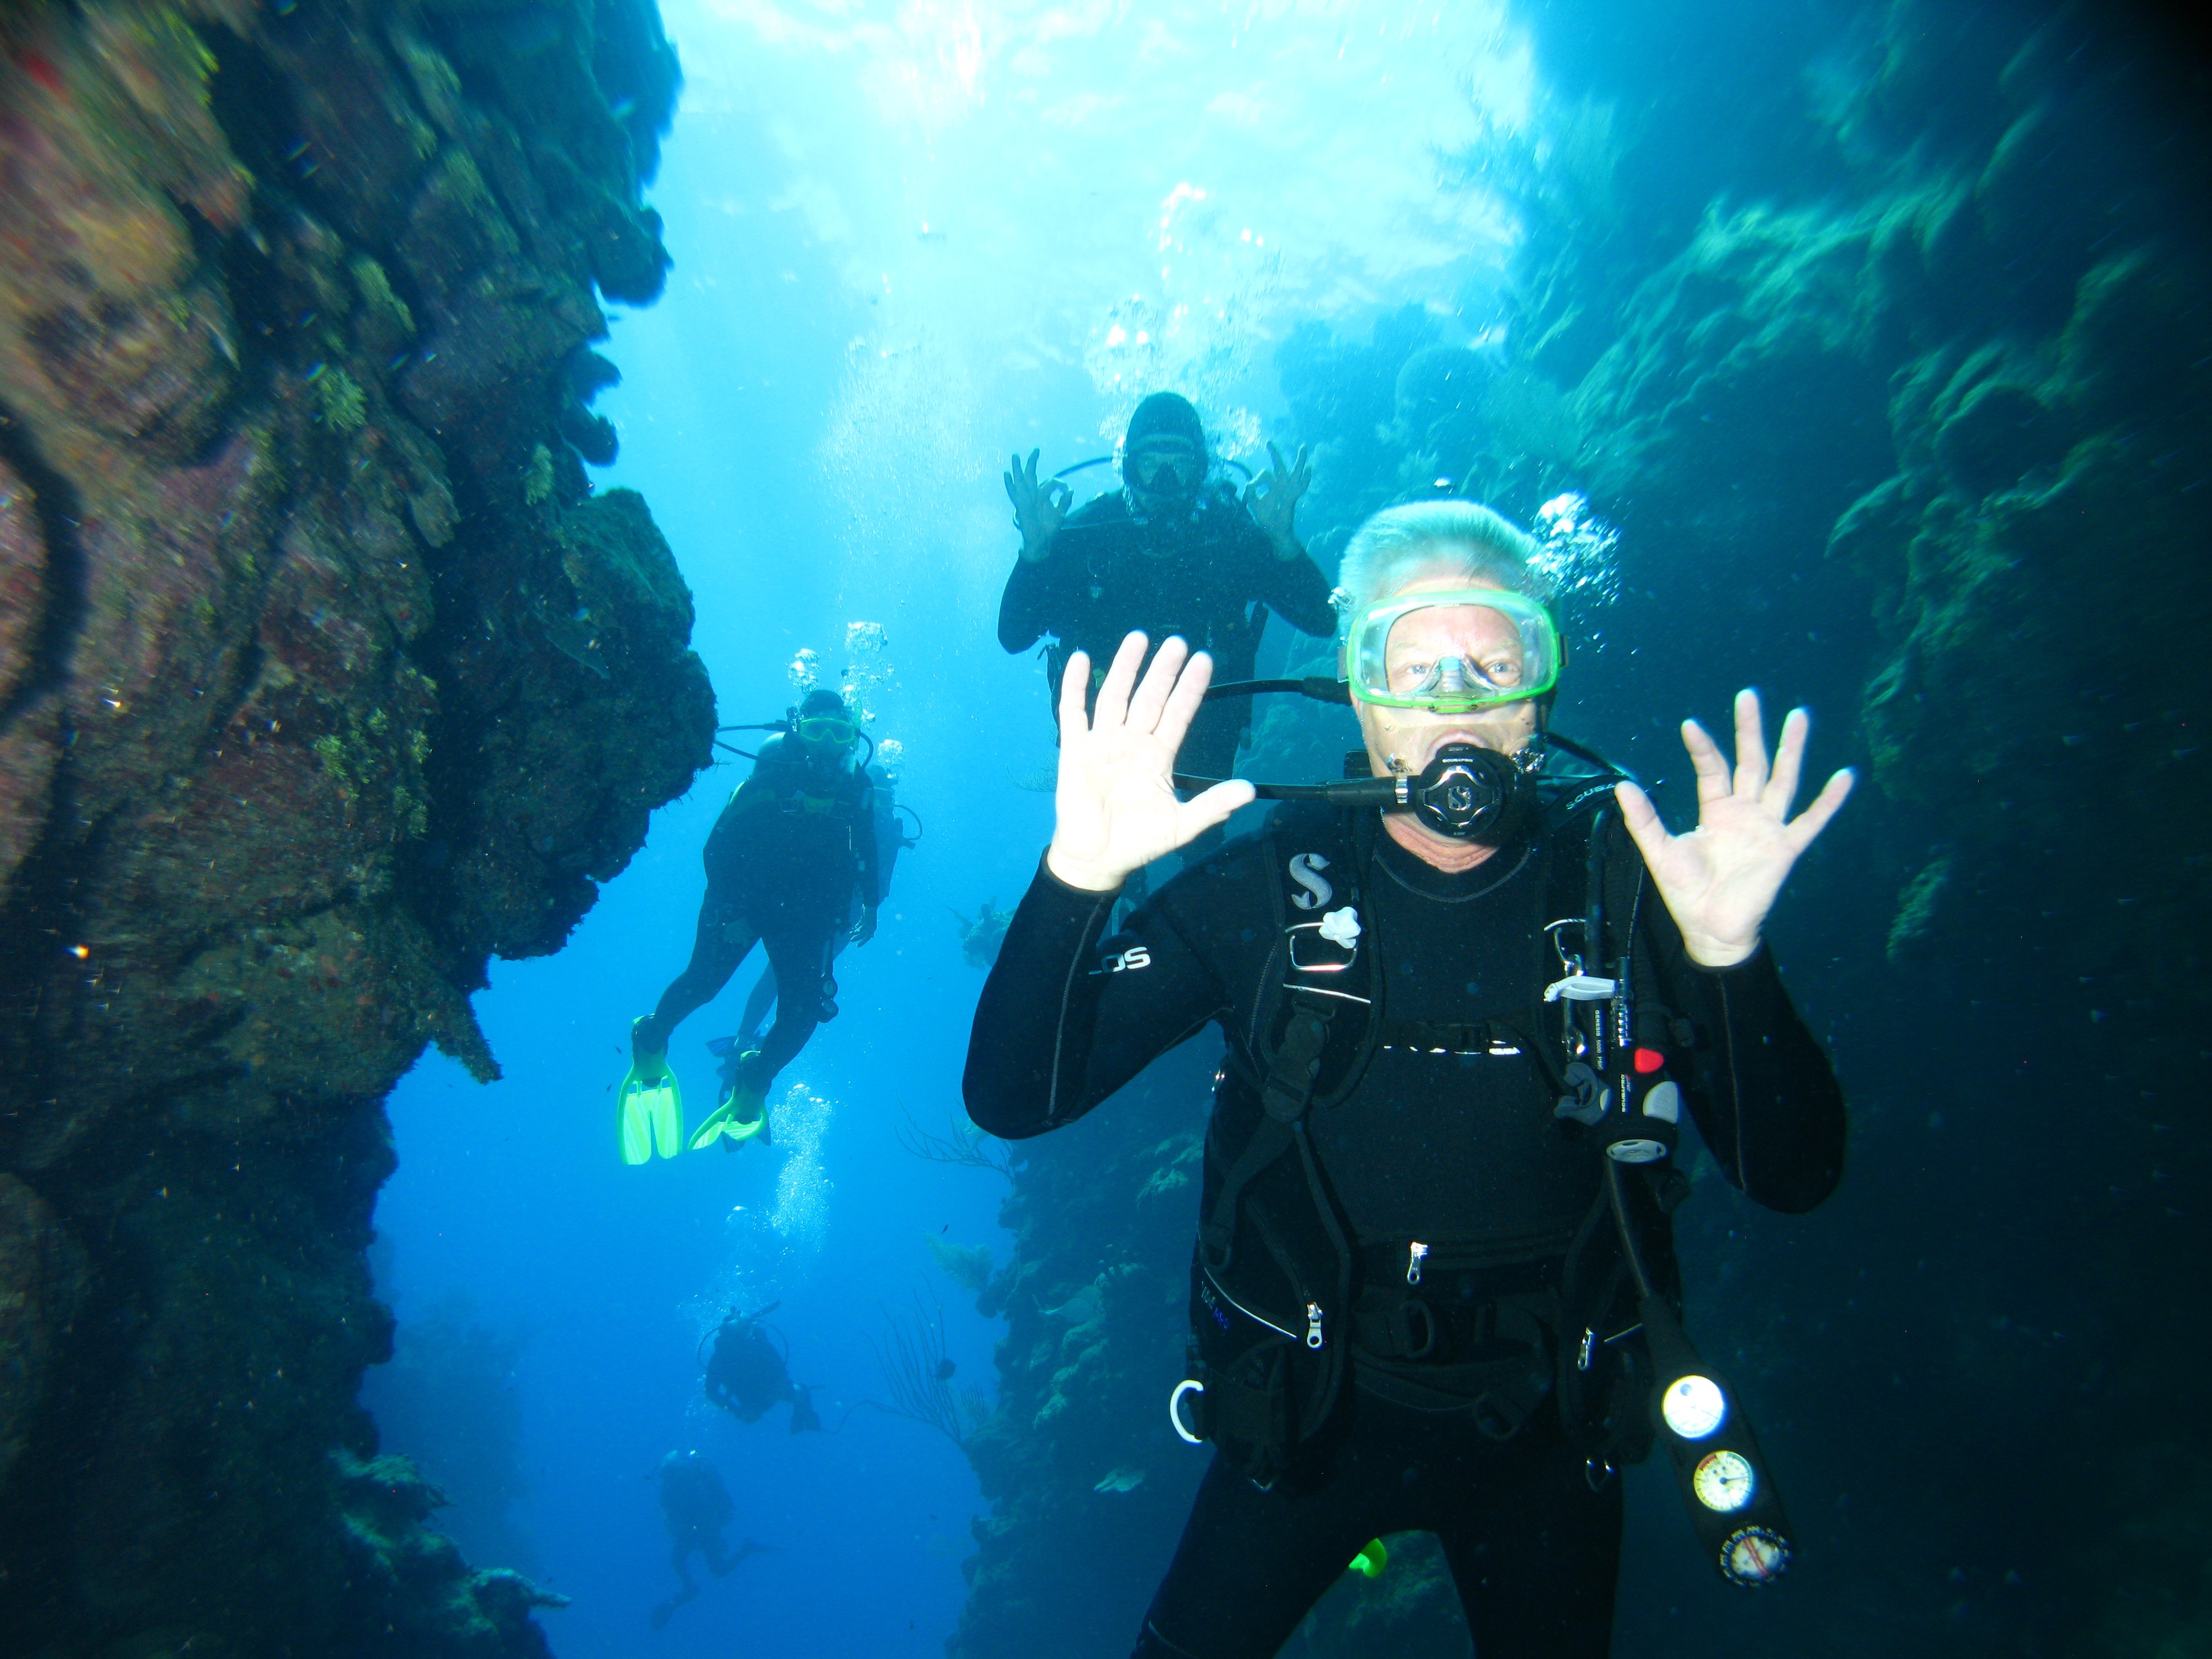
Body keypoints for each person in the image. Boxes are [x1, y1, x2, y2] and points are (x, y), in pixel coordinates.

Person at [964, 499, 1854, 1658]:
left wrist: (1728, 964)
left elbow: (1792, 1176)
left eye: (1497, 660)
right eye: (1410, 662)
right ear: (1355, 690)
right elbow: (1013, 1099)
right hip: (1302, 1422)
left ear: (1542, 689)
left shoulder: (1632, 884)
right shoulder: (1261, 894)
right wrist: (1077, 877)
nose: (1456, 701)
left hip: (1545, 1430)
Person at [1000, 392, 1337, 784]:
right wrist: (1035, 554)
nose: (1164, 481)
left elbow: (1321, 620)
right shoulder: (1086, 535)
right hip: (1109, 736)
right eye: (1150, 464)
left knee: (1206, 842)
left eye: (1180, 465)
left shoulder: (1229, 535)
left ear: (1202, 470)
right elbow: (1013, 636)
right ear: (1128, 468)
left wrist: (1283, 543)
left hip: (1205, 733)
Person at [617, 688, 881, 1160]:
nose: (826, 743)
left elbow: (865, 847)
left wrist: (873, 904)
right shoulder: (773, 777)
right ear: (798, 730)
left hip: (805, 916)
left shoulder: (856, 788)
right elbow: (717, 849)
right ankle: (650, 1040)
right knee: (703, 983)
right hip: (741, 904)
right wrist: (736, 913)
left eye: (838, 732)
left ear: (850, 737)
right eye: (816, 730)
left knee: (802, 1012)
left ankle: (753, 1081)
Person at [647, 1449, 769, 1631]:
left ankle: (744, 1551)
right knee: (707, 1568)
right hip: (702, 1529)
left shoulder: (681, 1483)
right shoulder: (685, 1479)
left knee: (685, 1564)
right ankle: (744, 1551)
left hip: (703, 1530)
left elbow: (673, 1512)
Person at [702, 1303, 822, 1433]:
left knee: (795, 1393)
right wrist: (736, 1410)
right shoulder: (721, 1358)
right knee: (793, 1393)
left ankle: (804, 1407)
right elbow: (711, 1392)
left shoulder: (759, 1348)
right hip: (750, 1399)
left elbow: (782, 1377)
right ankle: (802, 1405)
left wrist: (767, 1399)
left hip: (768, 1391)